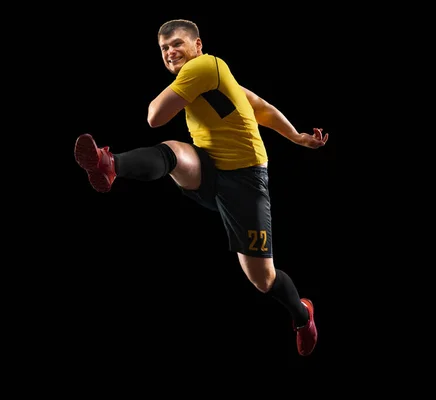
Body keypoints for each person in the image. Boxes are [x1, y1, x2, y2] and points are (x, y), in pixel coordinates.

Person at [73, 19, 328, 356]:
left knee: (262, 279)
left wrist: (296, 138)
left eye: (176, 44)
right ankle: (110, 165)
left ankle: (301, 314)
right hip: (210, 169)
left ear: (198, 45)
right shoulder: (214, 80)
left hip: (246, 182)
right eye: (164, 49)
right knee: (176, 153)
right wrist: (296, 136)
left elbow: (154, 115)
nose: (170, 52)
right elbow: (259, 106)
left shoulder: (205, 66)